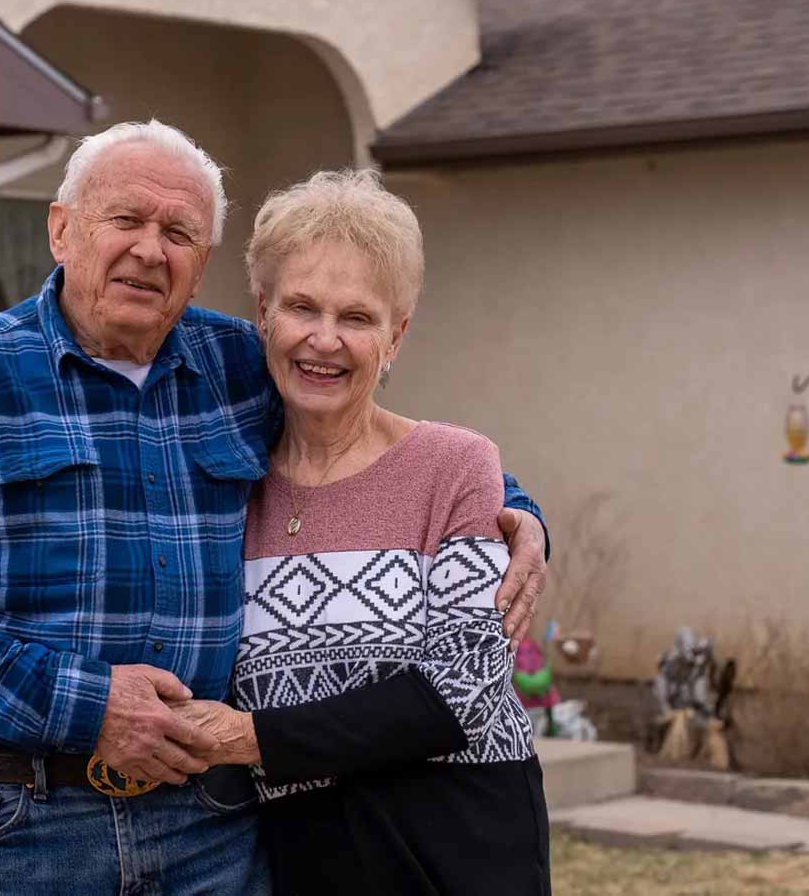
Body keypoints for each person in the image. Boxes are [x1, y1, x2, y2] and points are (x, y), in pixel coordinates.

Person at [0, 120, 550, 895]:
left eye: (179, 230)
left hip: (210, 823)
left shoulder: (240, 366)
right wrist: (90, 705)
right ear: (61, 229)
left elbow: (382, 449)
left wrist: (518, 516)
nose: (151, 249)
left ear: (202, 260)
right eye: (125, 220)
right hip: (29, 822)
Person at [171, 170, 550, 894]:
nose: (324, 339)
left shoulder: (456, 465)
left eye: (357, 317)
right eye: (302, 307)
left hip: (460, 848)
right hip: (303, 853)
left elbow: (461, 689)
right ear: (262, 313)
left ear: (396, 336)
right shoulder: (228, 490)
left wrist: (251, 740)